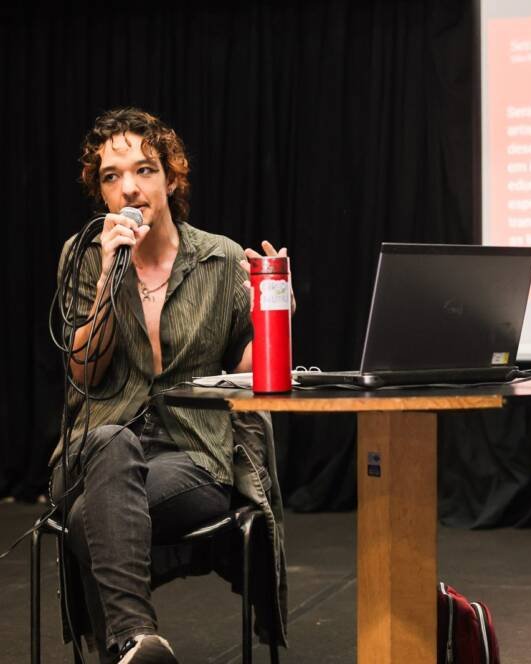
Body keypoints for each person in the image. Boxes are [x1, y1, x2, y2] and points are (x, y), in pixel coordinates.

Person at [50, 107, 291, 663]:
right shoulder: (83, 258)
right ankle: (139, 638)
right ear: (100, 191)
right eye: (112, 176)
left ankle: (132, 643)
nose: (129, 187)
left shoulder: (220, 258)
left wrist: (275, 319)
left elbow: (254, 375)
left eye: (144, 170)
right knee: (112, 441)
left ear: (171, 178)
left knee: (90, 518)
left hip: (190, 453)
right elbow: (83, 372)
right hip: (93, 450)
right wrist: (112, 271)